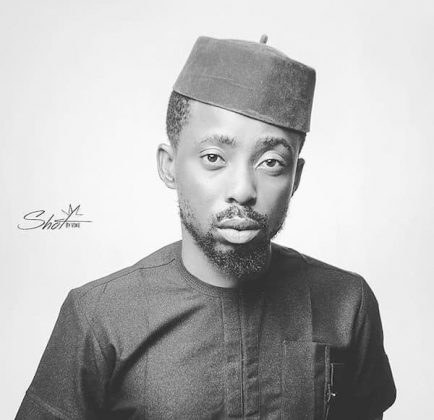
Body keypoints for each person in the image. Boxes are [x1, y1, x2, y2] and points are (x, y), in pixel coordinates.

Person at [16, 35, 396, 420]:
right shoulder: (100, 317)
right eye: (214, 157)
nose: (243, 190)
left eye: (271, 162)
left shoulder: (347, 304)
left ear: (295, 177)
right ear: (169, 165)